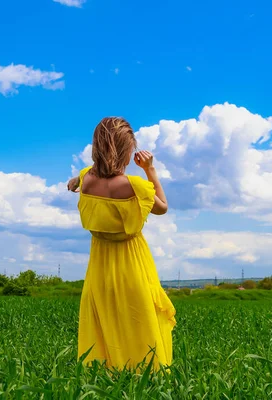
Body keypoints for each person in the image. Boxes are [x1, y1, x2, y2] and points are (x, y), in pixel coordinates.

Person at [67, 116, 176, 370]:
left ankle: (107, 369)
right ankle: (145, 370)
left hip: (99, 265)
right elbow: (162, 207)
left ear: (97, 147)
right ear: (127, 150)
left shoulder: (87, 181)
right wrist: (150, 170)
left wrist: (75, 179)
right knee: (139, 316)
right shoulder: (135, 186)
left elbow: (84, 175)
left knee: (105, 317)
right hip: (132, 262)